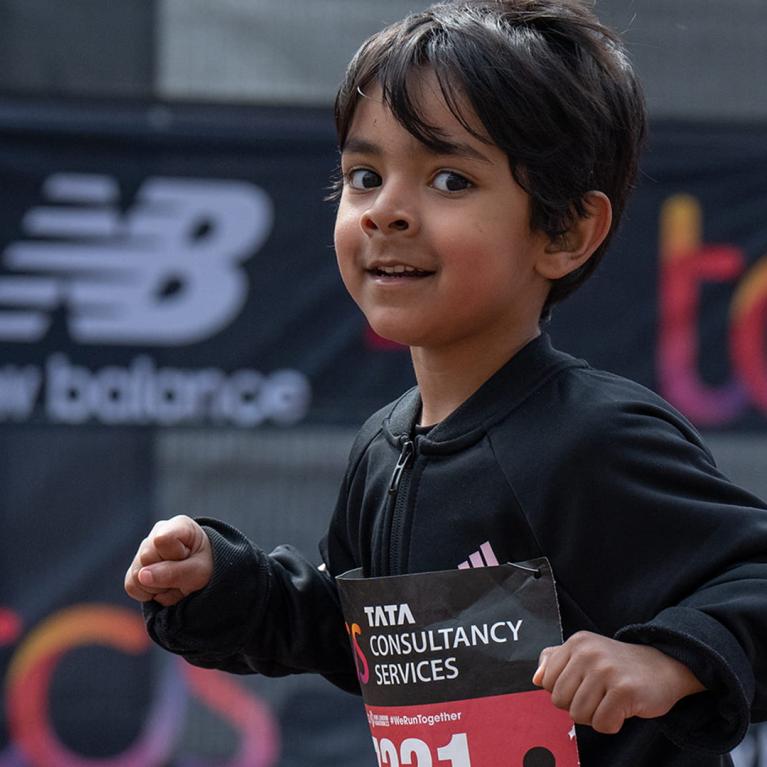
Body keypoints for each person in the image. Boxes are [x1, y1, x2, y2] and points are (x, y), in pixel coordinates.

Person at [124, 1, 767, 764]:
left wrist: (668, 660)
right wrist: (223, 585)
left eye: (449, 179)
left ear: (564, 231)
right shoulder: (384, 446)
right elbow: (365, 638)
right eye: (364, 175)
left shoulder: (591, 438)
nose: (386, 212)